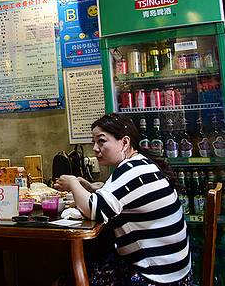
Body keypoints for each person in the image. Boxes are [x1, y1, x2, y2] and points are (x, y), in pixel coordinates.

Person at [54, 113, 192, 286]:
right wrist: (90, 188)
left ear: (125, 142)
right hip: (173, 269)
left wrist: (73, 183)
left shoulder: (132, 170)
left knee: (68, 279)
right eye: (94, 142)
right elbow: (120, 196)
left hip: (156, 277)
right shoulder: (141, 163)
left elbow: (94, 210)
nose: (95, 148)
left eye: (101, 141)